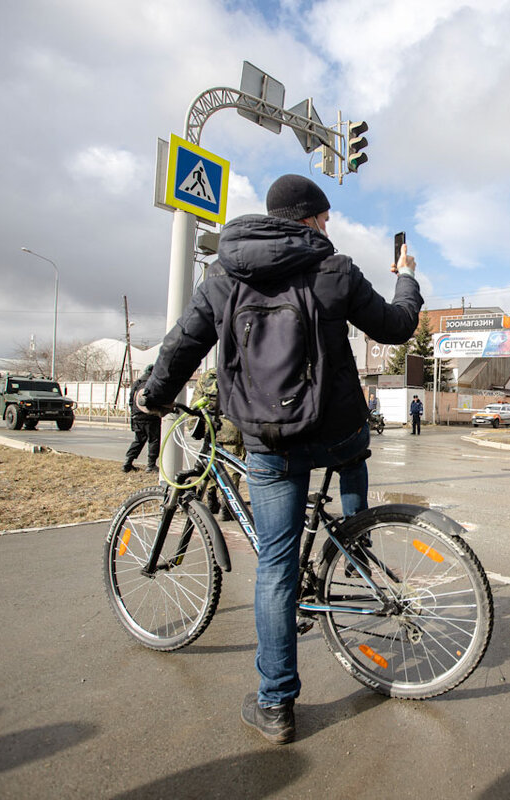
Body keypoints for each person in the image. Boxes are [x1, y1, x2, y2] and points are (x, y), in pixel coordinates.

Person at [137, 174, 422, 745]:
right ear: (311, 218)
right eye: (326, 216)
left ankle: (275, 706)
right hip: (337, 431)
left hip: (270, 440)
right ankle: (355, 545)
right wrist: (407, 278)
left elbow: (182, 344)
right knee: (351, 455)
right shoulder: (334, 270)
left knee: (275, 566)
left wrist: (153, 395)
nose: (330, 225)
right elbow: (397, 327)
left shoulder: (223, 275)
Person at [122, 365, 161, 473]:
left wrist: (134, 413)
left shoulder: (137, 383)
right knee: (154, 440)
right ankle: (151, 465)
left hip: (137, 416)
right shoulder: (153, 382)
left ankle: (127, 463)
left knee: (138, 440)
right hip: (151, 416)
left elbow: (131, 400)